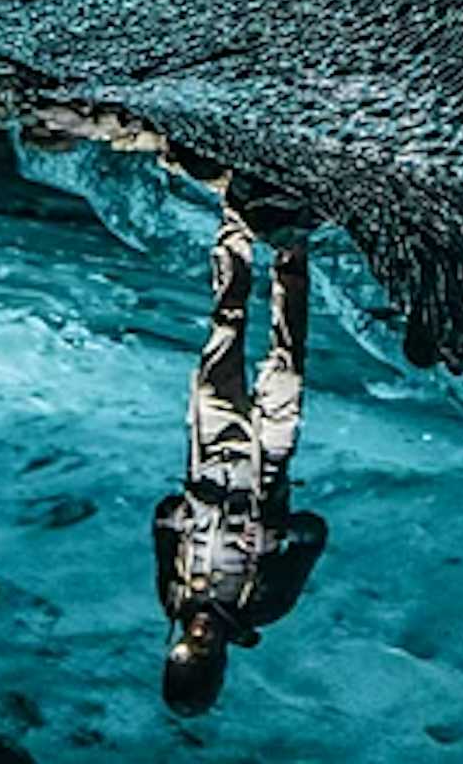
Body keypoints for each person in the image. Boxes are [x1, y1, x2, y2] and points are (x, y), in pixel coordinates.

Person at [154, 184, 329, 715]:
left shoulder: (174, 596)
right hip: (265, 466)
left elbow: (161, 520)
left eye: (185, 648)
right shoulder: (264, 605)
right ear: (218, 658)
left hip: (209, 454)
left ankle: (235, 222)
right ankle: (289, 249)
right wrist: (282, 533)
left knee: (225, 326)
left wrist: (180, 516)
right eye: (203, 651)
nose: (197, 636)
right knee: (286, 360)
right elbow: (314, 533)